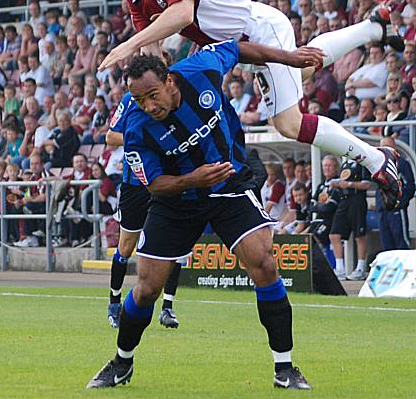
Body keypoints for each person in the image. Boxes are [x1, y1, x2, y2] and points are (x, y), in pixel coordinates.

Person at [96, 0, 402, 210]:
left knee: (288, 123)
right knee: (304, 69)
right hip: (238, 48)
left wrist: (127, 45)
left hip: (258, 31)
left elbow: (182, 13)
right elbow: (152, 50)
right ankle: (373, 26)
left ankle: (378, 160)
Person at [87, 41, 311, 390]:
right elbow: (156, 185)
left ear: (170, 81)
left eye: (152, 95)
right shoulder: (135, 127)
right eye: (139, 99)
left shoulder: (200, 69)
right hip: (176, 199)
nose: (149, 106)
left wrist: (289, 57)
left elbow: (237, 48)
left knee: (264, 263)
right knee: (146, 288)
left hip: (228, 186)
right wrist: (194, 178)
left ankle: (285, 368)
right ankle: (121, 363)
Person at [105, 89, 183, 330]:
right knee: (126, 246)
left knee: (174, 245)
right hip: (134, 184)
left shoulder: (174, 97)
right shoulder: (130, 100)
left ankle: (168, 307)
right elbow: (111, 137)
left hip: (166, 181)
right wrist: (142, 137)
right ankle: (114, 304)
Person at [328, 160, 372, 281]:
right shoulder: (345, 163)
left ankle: (360, 268)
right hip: (344, 200)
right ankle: (340, 269)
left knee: (359, 235)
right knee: (334, 234)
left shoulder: (363, 163)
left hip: (357, 199)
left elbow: (367, 184)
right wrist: (336, 183)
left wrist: (349, 184)